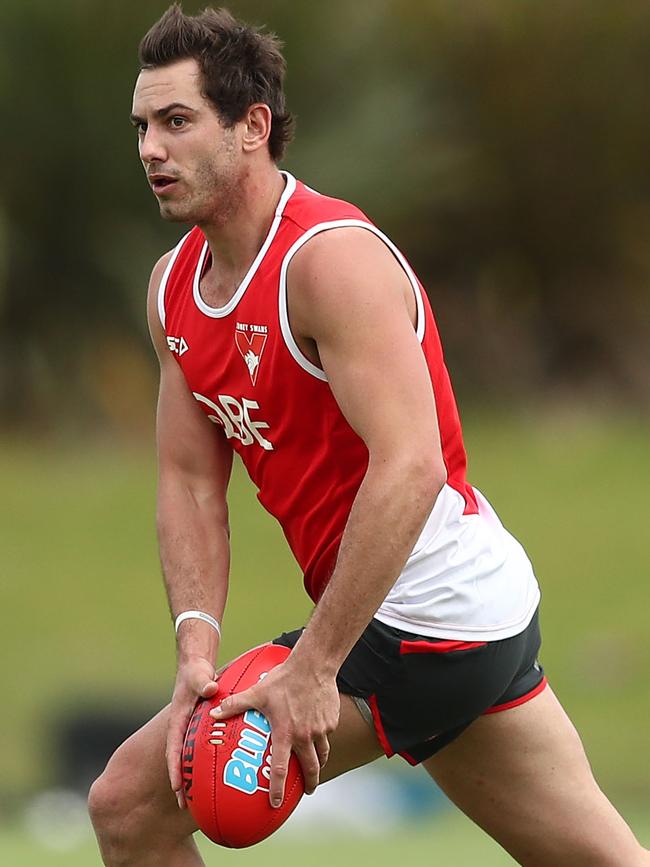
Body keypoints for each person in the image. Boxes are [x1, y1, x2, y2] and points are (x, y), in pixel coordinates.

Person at [88, 5, 649, 866]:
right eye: (142, 126)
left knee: (129, 803)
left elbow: (412, 465)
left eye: (176, 122)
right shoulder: (174, 289)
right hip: (450, 615)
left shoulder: (328, 262)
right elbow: (189, 480)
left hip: (429, 617)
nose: (149, 150)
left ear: (253, 128)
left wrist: (315, 664)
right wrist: (195, 647)